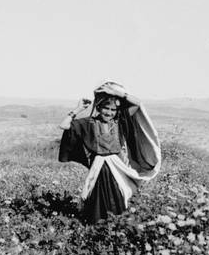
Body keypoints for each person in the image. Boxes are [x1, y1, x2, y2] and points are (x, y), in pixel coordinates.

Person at [58, 81, 161, 223]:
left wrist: (117, 93)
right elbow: (64, 125)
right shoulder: (89, 123)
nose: (109, 113)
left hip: (117, 167)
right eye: (106, 108)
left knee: (119, 195)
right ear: (99, 107)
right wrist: (78, 109)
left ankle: (116, 226)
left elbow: (137, 104)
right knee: (97, 199)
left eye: (113, 110)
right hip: (98, 167)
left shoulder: (119, 121)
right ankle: (96, 227)